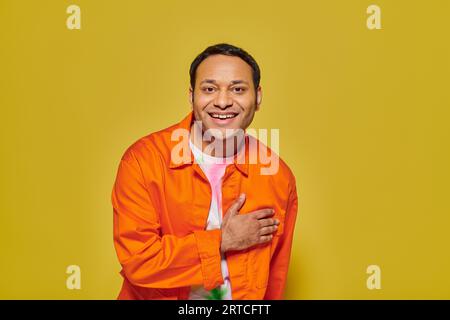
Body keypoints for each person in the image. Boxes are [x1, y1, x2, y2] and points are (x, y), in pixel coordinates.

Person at [111, 43, 299, 299]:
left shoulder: (277, 176)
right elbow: (139, 261)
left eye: (238, 89)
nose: (222, 101)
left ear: (258, 97)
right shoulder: (144, 161)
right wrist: (222, 241)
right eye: (209, 89)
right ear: (191, 96)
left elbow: (275, 279)